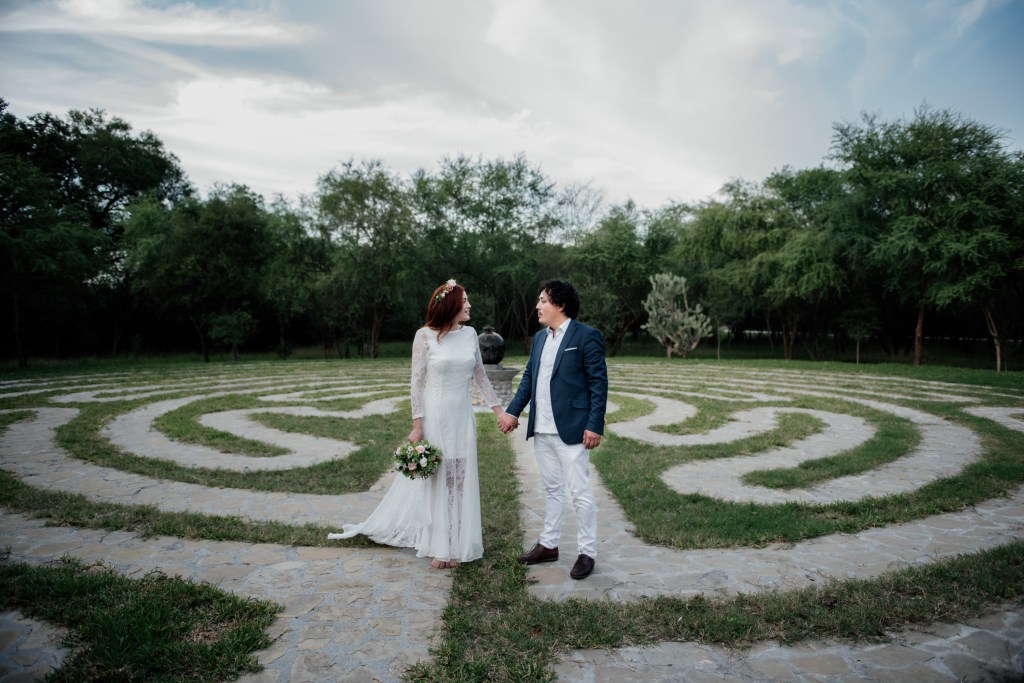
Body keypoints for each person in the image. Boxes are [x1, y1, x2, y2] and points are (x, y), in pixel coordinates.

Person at [329, 280, 507, 569]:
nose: (469, 305)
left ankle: (457, 543)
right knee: (439, 480)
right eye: (464, 301)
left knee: (459, 480)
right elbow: (417, 382)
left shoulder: (471, 334)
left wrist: (499, 411)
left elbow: (481, 377)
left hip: (462, 415)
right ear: (450, 305)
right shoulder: (424, 336)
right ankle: (440, 545)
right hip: (436, 415)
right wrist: (417, 424)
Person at [498, 280, 608, 580]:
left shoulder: (585, 336)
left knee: (579, 491)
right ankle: (548, 545)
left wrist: (594, 424)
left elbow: (598, 383)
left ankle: (587, 552)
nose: (538, 306)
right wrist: (513, 412)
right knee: (552, 489)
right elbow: (529, 378)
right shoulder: (539, 338)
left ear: (560, 304)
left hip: (572, 429)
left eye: (543, 300)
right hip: (542, 428)